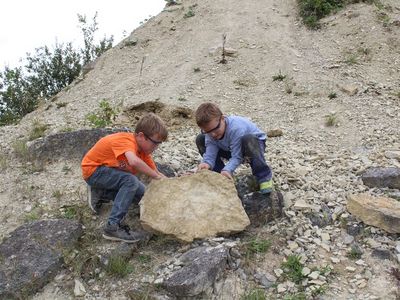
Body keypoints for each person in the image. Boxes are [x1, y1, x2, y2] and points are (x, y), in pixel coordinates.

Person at [81, 113, 168, 243]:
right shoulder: (126, 141)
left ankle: (102, 192)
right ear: (141, 136)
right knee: (130, 181)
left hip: (110, 174)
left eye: (159, 144)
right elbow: (133, 162)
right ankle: (112, 227)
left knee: (144, 196)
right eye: (155, 143)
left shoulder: (144, 154)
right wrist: (155, 175)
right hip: (94, 171)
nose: (156, 148)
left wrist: (173, 186)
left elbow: (158, 175)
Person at [195, 102, 273, 194]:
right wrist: (206, 163)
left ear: (222, 119)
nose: (213, 134)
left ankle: (264, 177)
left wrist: (228, 169)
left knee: (249, 139)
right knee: (201, 139)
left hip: (251, 146)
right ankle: (220, 176)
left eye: (215, 129)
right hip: (229, 147)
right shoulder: (211, 132)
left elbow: (237, 156)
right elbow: (210, 152)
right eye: (208, 131)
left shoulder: (236, 128)